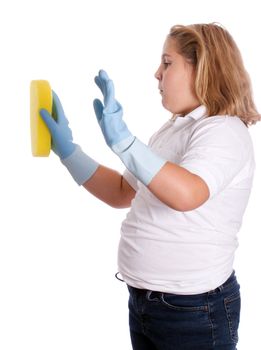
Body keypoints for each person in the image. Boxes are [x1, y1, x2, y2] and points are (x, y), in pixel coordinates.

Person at [40, 22, 260, 350]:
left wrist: (125, 143)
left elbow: (188, 195)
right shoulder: (172, 131)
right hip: (146, 303)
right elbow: (121, 192)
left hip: (193, 310)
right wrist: (69, 151)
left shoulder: (224, 131)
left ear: (204, 69)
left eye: (167, 63)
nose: (157, 73)